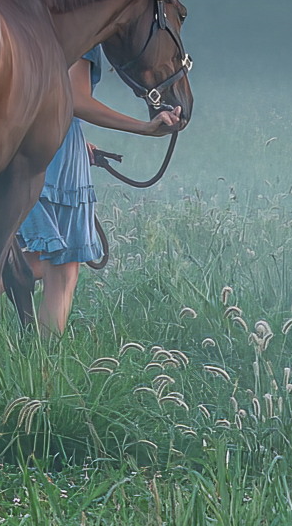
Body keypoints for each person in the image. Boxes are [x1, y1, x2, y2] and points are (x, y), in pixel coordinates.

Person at [17, 46, 181, 334]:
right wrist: (145, 127)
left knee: (45, 254)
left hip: (17, 138)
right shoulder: (80, 32)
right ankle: (44, 357)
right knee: (64, 266)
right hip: (56, 149)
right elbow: (77, 100)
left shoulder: (23, 23)